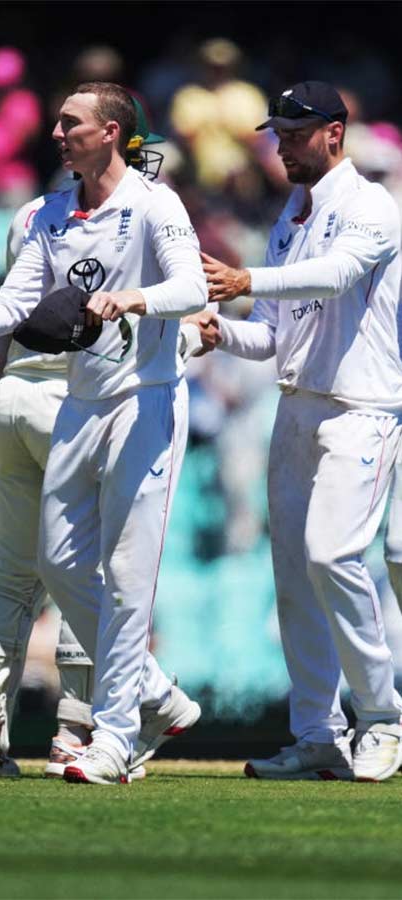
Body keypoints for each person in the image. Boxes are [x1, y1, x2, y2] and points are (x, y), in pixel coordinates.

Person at [0, 81, 207, 785]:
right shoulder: (53, 212)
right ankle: (156, 695)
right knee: (64, 566)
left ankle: (114, 736)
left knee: (125, 579)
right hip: (78, 407)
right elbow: (15, 304)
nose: (58, 131)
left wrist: (132, 299)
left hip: (143, 401)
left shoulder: (155, 204)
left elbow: (193, 288)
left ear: (111, 133)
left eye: (72, 123)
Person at [187, 81, 402, 781]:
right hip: (296, 407)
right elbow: (275, 338)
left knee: (332, 556)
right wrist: (221, 333)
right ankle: (317, 735)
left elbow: (337, 278)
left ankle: (381, 719)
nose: (281, 145)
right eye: (278, 133)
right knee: (293, 580)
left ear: (335, 134)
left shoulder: (371, 207)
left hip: (362, 408)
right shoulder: (291, 214)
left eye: (295, 133)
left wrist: (247, 276)